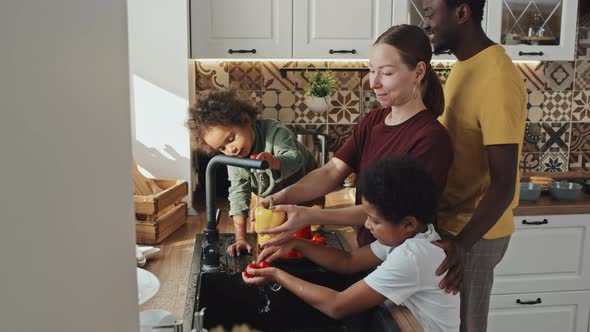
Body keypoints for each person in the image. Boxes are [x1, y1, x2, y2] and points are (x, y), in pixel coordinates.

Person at [255, 24, 453, 248]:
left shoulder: (431, 138)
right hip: (366, 254)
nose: (374, 82)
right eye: (371, 70)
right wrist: (283, 196)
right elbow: (332, 171)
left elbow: (389, 213)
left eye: (386, 73)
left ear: (418, 72)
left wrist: (311, 215)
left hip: (406, 262)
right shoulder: (373, 121)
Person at [244, 156, 460, 332]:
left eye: (375, 221)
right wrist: (296, 243)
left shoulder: (412, 255)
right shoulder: (409, 238)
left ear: (408, 224)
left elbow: (337, 305)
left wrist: (277, 275)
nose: (366, 224)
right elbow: (348, 261)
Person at [422, 1, 527, 331]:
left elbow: (503, 183)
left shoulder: (497, 76)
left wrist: (461, 245)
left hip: (476, 233)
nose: (426, 23)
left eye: (430, 12)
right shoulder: (464, 66)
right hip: (454, 225)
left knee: (467, 327)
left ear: (461, 13)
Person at [187, 90, 317, 256]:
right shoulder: (234, 157)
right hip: (272, 192)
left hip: (305, 184)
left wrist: (274, 162)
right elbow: (238, 194)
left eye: (231, 138)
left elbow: (295, 159)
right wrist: (240, 238)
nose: (231, 149)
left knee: (308, 231)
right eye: (222, 148)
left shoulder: (275, 131)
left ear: (245, 119)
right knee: (265, 231)